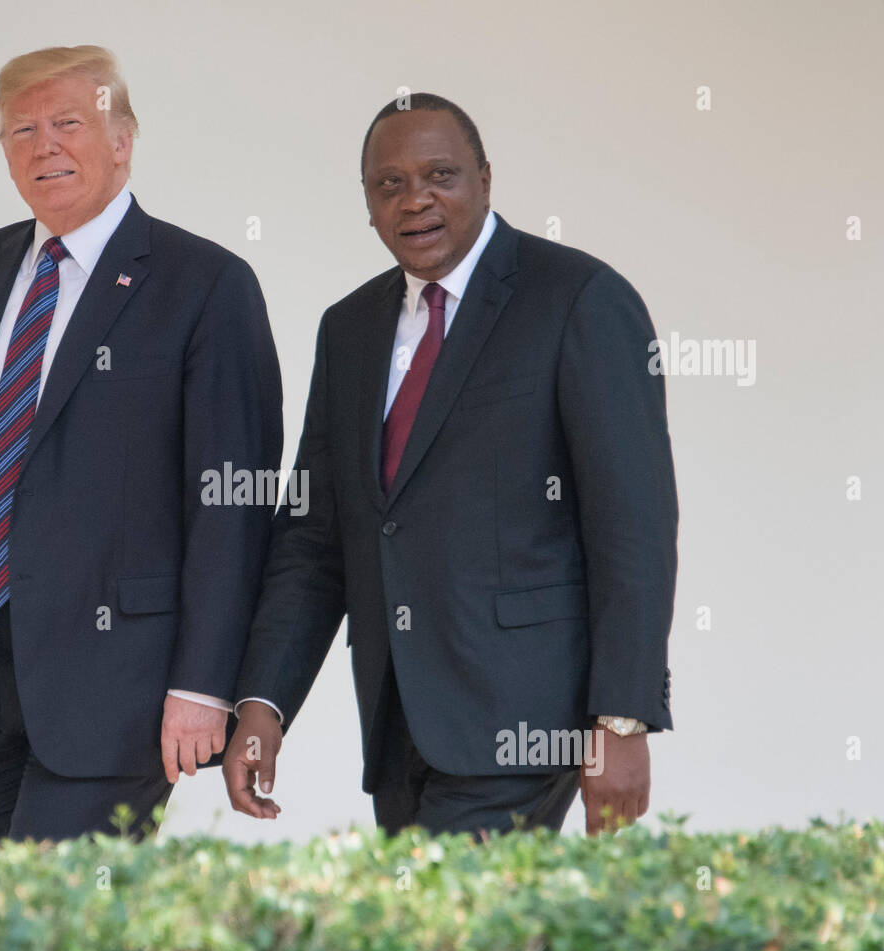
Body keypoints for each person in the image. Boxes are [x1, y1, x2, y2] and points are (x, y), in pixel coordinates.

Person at [0, 46, 282, 844]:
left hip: (122, 686)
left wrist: (207, 684)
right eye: (21, 131)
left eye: (68, 123)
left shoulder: (206, 284)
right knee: (22, 933)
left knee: (55, 920)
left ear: (123, 138)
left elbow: (233, 508)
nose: (44, 146)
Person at [224, 93, 677, 838]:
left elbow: (634, 527)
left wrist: (623, 719)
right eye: (389, 184)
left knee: (445, 934)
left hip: (525, 722)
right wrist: (263, 703)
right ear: (367, 203)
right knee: (444, 943)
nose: (416, 200)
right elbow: (313, 538)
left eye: (441, 174)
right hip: (399, 725)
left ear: (486, 179)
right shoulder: (349, 329)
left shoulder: (579, 300)